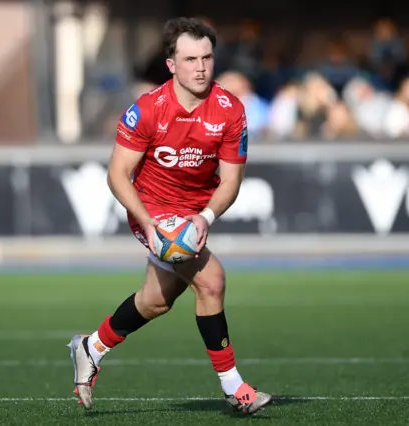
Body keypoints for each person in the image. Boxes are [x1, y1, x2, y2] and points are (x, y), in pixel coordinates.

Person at [68, 17, 273, 415]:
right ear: (171, 64)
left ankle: (90, 347)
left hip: (194, 213)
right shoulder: (147, 110)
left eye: (207, 58)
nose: (200, 67)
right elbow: (117, 174)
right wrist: (148, 223)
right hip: (152, 210)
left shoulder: (230, 111)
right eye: (190, 58)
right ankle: (234, 389)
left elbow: (230, 181)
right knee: (211, 282)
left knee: (157, 301)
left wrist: (205, 218)